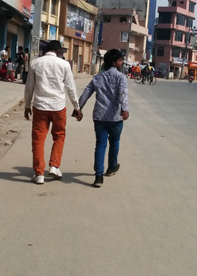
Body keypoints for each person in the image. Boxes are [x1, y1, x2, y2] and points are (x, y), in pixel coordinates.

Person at [24, 40, 82, 185]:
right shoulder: (64, 65)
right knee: (59, 136)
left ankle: (39, 174)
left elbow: (29, 86)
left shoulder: (35, 63)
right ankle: (54, 166)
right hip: (58, 107)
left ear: (46, 50)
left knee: (38, 139)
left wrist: (27, 106)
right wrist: (77, 107)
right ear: (58, 51)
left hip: (40, 107)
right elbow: (70, 87)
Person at [76, 49, 129, 188]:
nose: (122, 63)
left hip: (99, 116)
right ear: (113, 62)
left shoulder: (98, 77)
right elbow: (123, 94)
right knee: (115, 141)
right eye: (120, 60)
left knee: (100, 144)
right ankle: (112, 167)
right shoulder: (121, 77)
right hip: (115, 117)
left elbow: (86, 92)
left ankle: (98, 176)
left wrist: (78, 108)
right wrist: (125, 109)